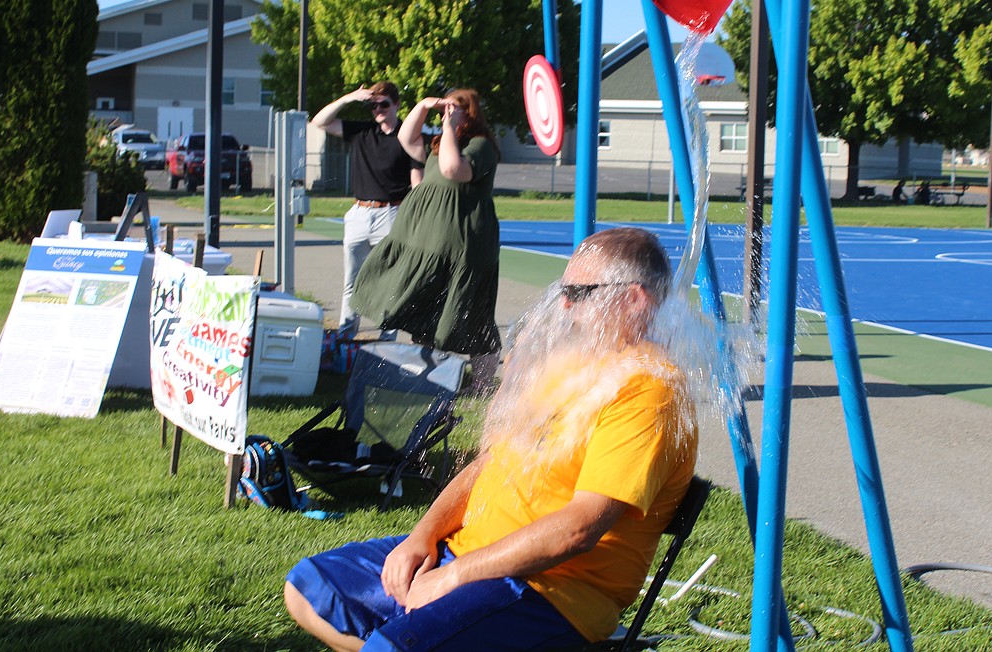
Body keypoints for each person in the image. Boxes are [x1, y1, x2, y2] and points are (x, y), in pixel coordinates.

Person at [283, 227, 699, 651]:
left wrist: (453, 577)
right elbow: (489, 465)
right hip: (469, 554)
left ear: (633, 299)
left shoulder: (650, 391)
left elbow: (577, 530)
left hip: (551, 592)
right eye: (564, 289)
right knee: (307, 588)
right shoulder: (574, 367)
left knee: (391, 647)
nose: (565, 302)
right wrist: (422, 536)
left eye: (581, 291)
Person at [349, 88, 501, 392]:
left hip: (464, 245)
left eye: (455, 109)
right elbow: (406, 140)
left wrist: (448, 127)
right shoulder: (437, 144)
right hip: (426, 243)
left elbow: (452, 169)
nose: (447, 114)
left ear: (469, 113)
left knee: (474, 314)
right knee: (424, 307)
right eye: (445, 109)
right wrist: (422, 106)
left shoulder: (482, 145)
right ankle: (429, 374)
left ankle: (483, 384)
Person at [312, 81, 419, 339]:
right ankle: (346, 336)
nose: (378, 110)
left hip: (392, 215)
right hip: (359, 213)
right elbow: (319, 122)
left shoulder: (408, 136)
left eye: (384, 104)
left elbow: (418, 182)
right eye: (373, 105)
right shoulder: (362, 131)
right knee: (353, 281)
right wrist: (349, 98)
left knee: (390, 281)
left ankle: (387, 341)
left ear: (396, 105)